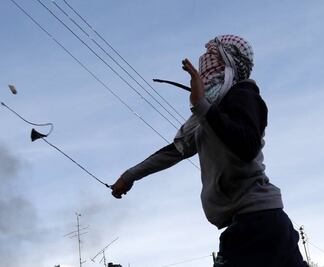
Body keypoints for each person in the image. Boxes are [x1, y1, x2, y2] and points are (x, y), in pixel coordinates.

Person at [111, 34, 308, 267]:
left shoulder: (243, 94)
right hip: (248, 225)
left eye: (211, 55)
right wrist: (130, 175)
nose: (204, 60)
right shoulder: (207, 115)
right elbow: (176, 150)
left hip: (260, 222)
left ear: (228, 63)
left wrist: (201, 105)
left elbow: (246, 146)